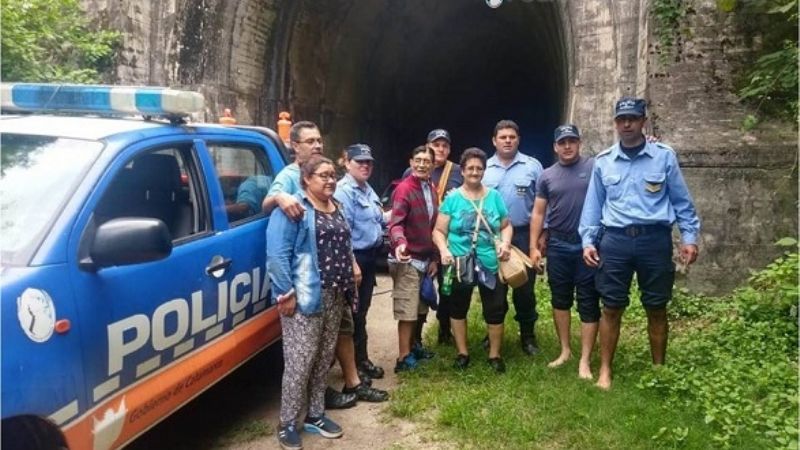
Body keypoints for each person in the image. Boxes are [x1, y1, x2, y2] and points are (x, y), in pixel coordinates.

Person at [263, 121, 387, 409]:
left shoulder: (335, 198)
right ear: (295, 146)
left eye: (319, 140)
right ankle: (297, 414)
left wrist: (351, 263)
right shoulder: (289, 178)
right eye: (310, 141)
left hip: (335, 280)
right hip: (308, 281)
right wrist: (280, 197)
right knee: (305, 351)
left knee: (339, 331)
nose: (317, 145)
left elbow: (341, 232)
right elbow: (274, 227)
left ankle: (342, 387)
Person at [579, 97, 700, 390]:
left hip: (654, 241)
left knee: (656, 306)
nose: (627, 124)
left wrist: (689, 237)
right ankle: (605, 370)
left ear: (643, 121)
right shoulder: (603, 161)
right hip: (616, 241)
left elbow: (681, 201)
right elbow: (593, 206)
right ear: (616, 124)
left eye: (633, 118)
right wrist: (588, 241)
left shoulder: (664, 157)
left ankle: (659, 369)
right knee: (611, 306)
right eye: (622, 120)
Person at [267, 155, 353, 449]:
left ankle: (315, 414)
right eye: (322, 175)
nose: (330, 180)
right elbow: (277, 254)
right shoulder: (294, 209)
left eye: (333, 175)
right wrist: (285, 293)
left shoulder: (335, 206)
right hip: (304, 296)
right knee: (300, 361)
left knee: (322, 358)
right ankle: (287, 422)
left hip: (334, 293)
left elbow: (343, 242)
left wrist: (352, 265)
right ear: (306, 180)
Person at [433, 147, 512, 373]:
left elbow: (506, 226)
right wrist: (443, 249)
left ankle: (495, 355)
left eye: (479, 168)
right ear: (463, 171)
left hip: (490, 261)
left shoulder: (494, 197)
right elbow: (439, 230)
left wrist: (505, 243)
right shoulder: (453, 199)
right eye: (470, 168)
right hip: (460, 261)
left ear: (484, 171)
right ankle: (462, 352)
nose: (475, 172)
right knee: (458, 307)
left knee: (495, 308)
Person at [530, 124, 600, 380]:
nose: (567, 146)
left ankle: (585, 360)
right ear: (555, 147)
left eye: (572, 141)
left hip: (587, 245)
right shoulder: (546, 176)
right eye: (562, 142)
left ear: (579, 143)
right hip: (558, 245)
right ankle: (565, 351)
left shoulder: (594, 167)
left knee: (588, 301)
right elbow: (538, 212)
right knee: (560, 299)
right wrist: (533, 246)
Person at [482, 120, 544, 355]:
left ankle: (527, 336)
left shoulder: (533, 166)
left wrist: (540, 237)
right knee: (494, 289)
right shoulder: (484, 169)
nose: (507, 140)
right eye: (503, 137)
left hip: (523, 235)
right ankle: (493, 334)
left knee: (524, 290)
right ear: (494, 141)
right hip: (491, 237)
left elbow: (542, 203)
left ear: (518, 139)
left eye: (512, 137)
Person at [333, 144, 390, 390]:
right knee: (352, 315)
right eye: (360, 162)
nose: (365, 166)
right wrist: (352, 264)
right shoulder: (344, 191)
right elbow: (342, 233)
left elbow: (378, 218)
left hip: (368, 257)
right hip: (354, 258)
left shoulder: (366, 189)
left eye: (369, 162)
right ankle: (353, 368)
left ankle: (362, 360)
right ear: (347, 163)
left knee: (362, 312)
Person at [402, 128, 463, 345]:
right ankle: (415, 339)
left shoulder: (457, 171)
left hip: (448, 241)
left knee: (448, 288)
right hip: (420, 243)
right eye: (436, 144)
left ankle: (444, 330)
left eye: (444, 145)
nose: (440, 149)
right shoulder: (412, 173)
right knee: (420, 292)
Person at [388, 145, 439, 372]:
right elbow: (396, 223)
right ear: (411, 162)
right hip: (407, 259)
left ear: (433, 165)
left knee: (420, 308)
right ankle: (403, 358)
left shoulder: (431, 188)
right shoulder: (404, 189)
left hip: (425, 259)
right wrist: (400, 244)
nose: (421, 164)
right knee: (407, 311)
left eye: (426, 161)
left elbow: (434, 227)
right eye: (417, 160)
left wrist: (435, 258)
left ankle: (415, 346)